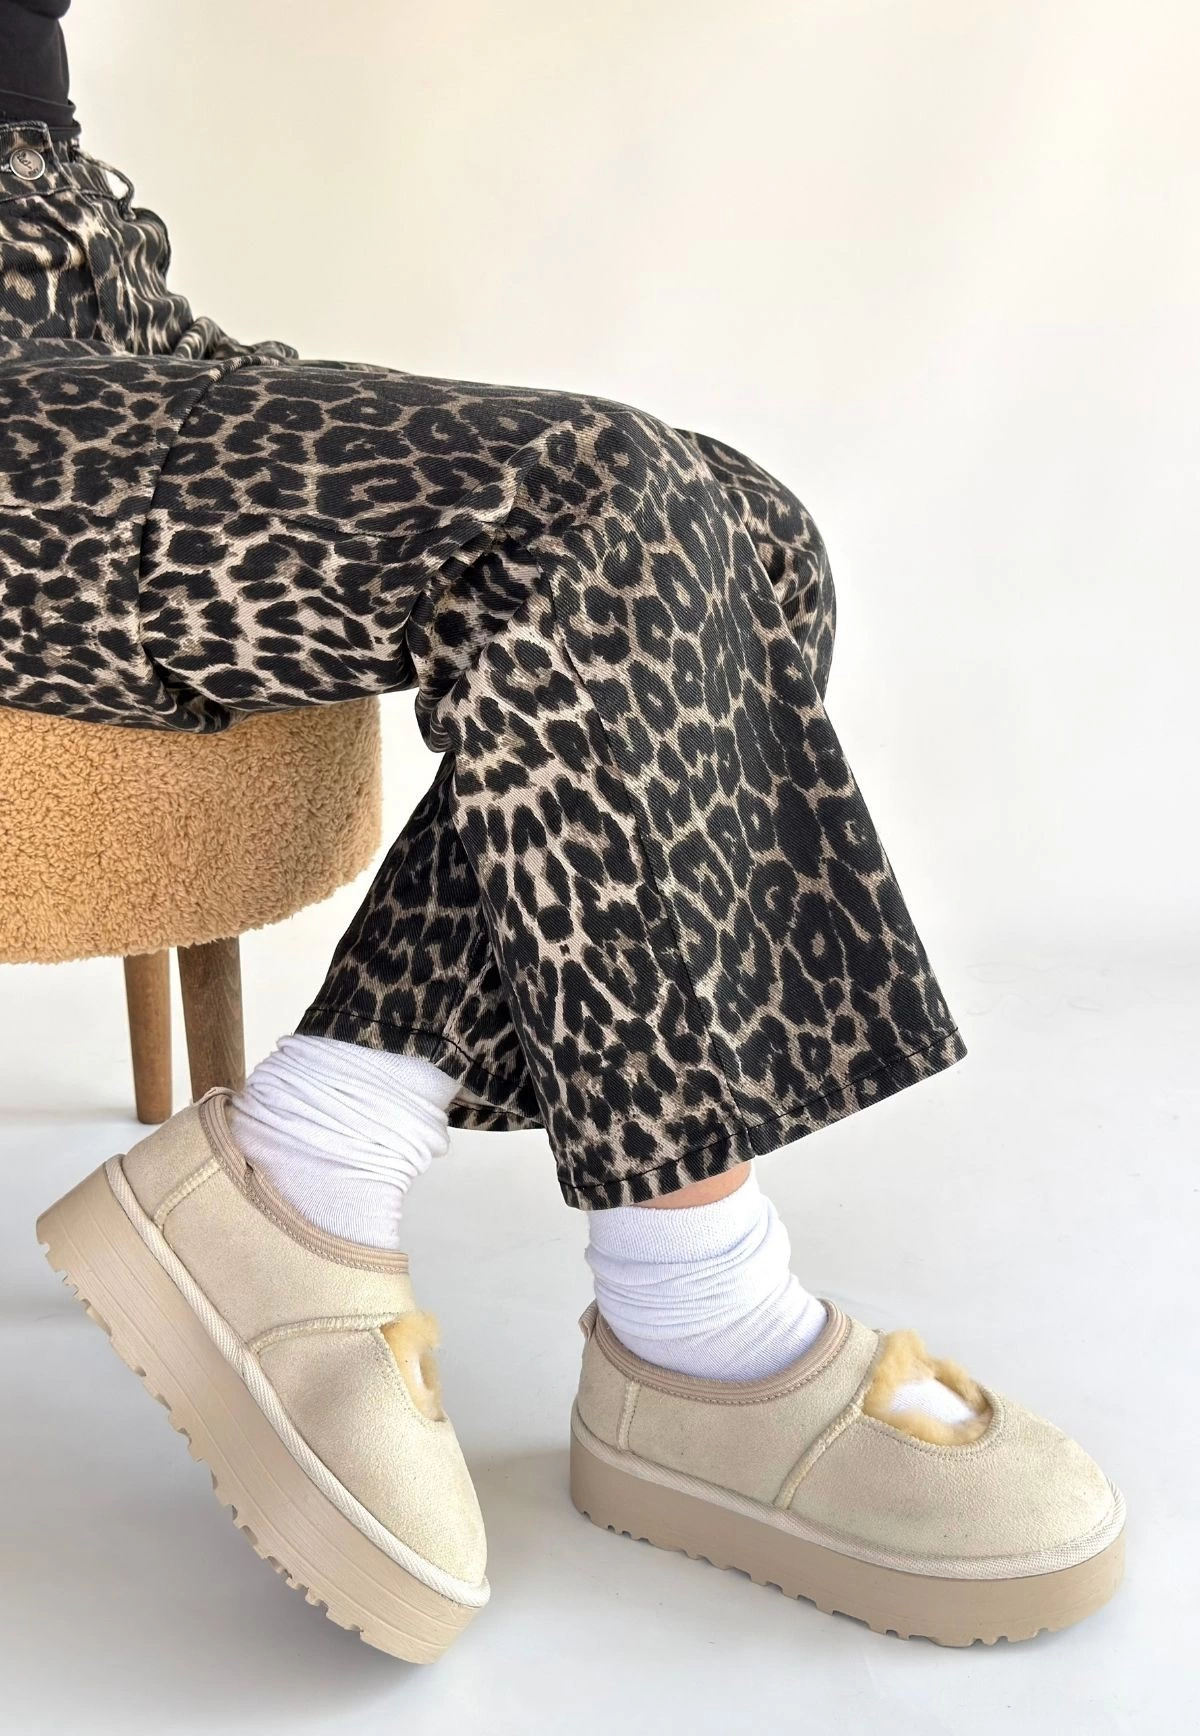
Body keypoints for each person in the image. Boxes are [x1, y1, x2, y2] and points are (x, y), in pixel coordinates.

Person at [1, 1, 1124, 1662]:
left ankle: (326, 1148)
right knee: (594, 501)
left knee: (741, 531)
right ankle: (699, 1322)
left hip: (77, 281)